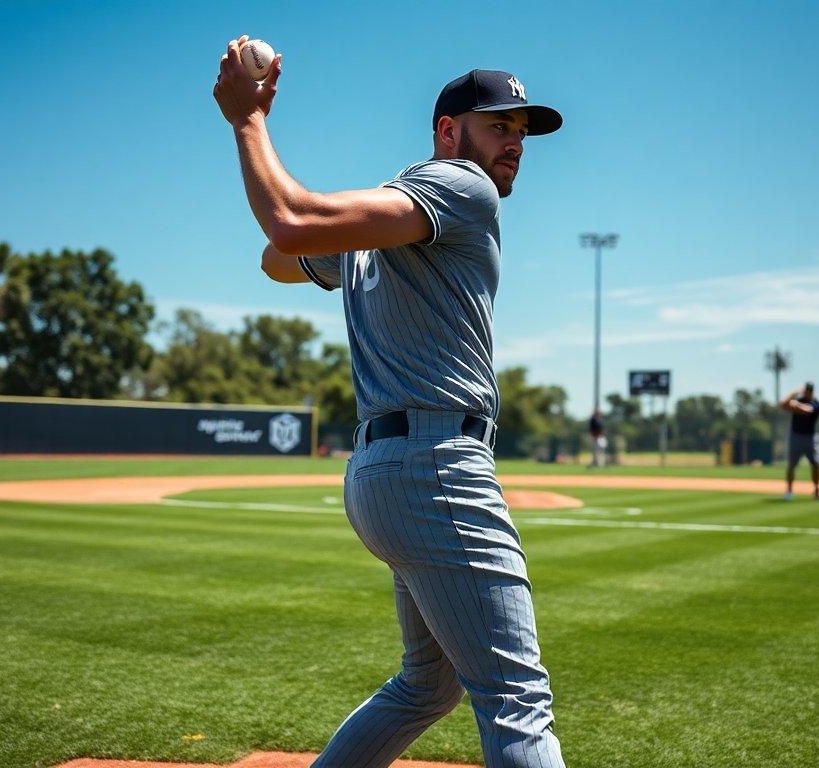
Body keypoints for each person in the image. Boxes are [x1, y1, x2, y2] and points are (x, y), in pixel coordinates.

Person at [214, 43, 566, 768]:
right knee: (516, 699)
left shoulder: (397, 216)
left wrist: (345, 224)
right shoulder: (463, 187)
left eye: (521, 133)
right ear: (448, 131)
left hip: (383, 471)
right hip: (439, 464)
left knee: (426, 687)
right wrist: (249, 122)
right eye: (499, 126)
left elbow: (277, 261)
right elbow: (289, 230)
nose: (515, 144)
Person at [780, 382, 819, 501]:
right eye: (806, 391)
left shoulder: (816, 404)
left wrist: (795, 404)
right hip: (795, 436)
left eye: (809, 391)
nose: (808, 393)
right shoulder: (799, 399)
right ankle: (789, 491)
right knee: (791, 465)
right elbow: (782, 404)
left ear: (812, 392)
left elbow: (807, 410)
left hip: (810, 438)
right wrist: (795, 392)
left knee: (815, 463)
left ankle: (817, 491)